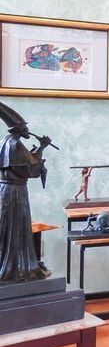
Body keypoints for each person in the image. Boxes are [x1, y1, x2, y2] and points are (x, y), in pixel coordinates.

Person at [0, 101, 52, 284]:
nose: (27, 130)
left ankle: (16, 266)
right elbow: (28, 169)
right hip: (14, 192)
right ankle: (15, 269)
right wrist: (41, 155)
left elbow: (26, 161)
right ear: (18, 129)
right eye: (24, 127)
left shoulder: (9, 143)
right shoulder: (14, 144)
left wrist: (41, 148)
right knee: (15, 228)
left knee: (14, 228)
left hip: (10, 191)